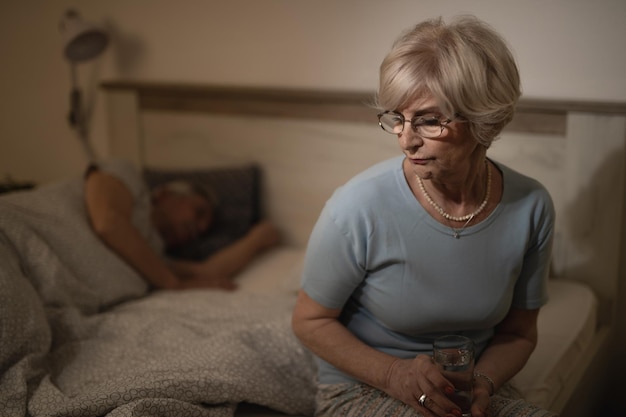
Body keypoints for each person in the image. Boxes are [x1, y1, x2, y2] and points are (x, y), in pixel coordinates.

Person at [291, 16, 557, 417]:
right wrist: (394, 374)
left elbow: (519, 333)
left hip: (473, 391)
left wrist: (483, 383)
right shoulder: (357, 206)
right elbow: (309, 321)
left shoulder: (532, 206)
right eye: (397, 117)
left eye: (429, 120)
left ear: (482, 119)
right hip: (365, 388)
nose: (405, 138)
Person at [84, 159, 280, 291]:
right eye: (199, 211)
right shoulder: (125, 176)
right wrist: (173, 283)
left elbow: (205, 272)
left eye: (204, 231)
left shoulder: (153, 255)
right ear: (165, 193)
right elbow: (108, 223)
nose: (201, 228)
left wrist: (257, 239)